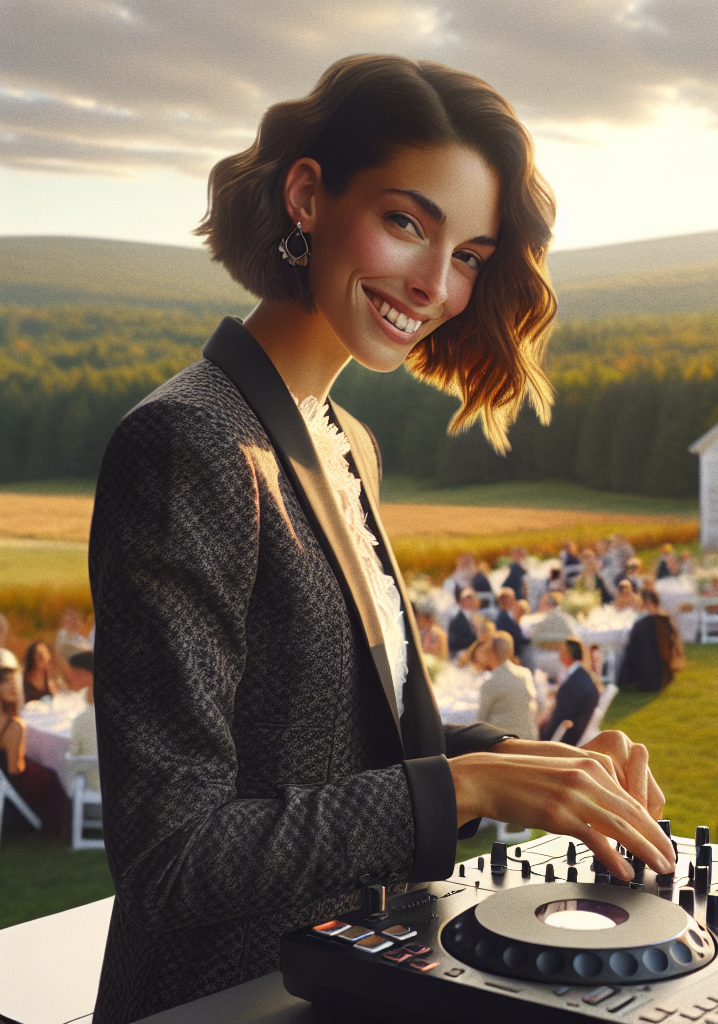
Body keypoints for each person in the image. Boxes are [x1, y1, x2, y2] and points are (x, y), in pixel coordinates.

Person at [87, 56, 672, 1024]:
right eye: (407, 222)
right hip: (224, 997)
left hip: (349, 971)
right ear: (308, 194)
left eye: (473, 254)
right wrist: (464, 784)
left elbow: (321, 741)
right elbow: (173, 857)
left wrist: (531, 765)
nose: (437, 284)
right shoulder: (186, 441)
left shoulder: (342, 439)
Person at [0, 652, 68, 838]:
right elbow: (15, 770)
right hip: (9, 784)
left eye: (14, 681)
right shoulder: (14, 725)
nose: (13, 686)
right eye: (5, 682)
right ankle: (56, 831)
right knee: (51, 777)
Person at [617, 589, 684, 692]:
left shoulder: (641, 624)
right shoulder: (665, 619)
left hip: (647, 677)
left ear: (647, 602)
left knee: (626, 649)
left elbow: (631, 652)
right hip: (665, 674)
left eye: (639, 601)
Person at [539, 639, 601, 747]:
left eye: (562, 651)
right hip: (576, 731)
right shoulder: (582, 676)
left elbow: (559, 717)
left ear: (568, 654)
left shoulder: (572, 685)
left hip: (565, 738)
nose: (560, 655)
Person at [478, 633, 538, 741]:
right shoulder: (525, 675)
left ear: (492, 654)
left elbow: (481, 721)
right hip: (529, 740)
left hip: (503, 744)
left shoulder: (489, 683)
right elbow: (535, 706)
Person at [67, 649, 101, 794]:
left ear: (88, 674)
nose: (71, 677)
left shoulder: (82, 720)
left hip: (93, 795)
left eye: (76, 672)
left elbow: (73, 763)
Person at [494, 586, 528, 660]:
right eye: (502, 598)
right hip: (511, 654)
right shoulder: (501, 619)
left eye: (507, 598)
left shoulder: (518, 611)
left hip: (521, 651)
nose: (505, 601)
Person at [447, 587, 480, 658]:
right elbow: (453, 642)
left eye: (471, 597)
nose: (470, 601)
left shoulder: (479, 616)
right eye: (467, 598)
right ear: (461, 602)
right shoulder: (455, 621)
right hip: (465, 655)